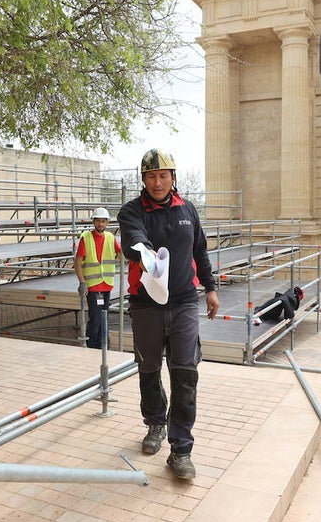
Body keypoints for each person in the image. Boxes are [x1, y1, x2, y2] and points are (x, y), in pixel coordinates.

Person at [118, 148, 219, 480]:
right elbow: (134, 240)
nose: (157, 182)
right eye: (150, 176)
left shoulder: (187, 209)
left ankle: (181, 450)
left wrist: (211, 287)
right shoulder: (132, 211)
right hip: (147, 305)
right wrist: (146, 254)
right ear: (143, 180)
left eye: (163, 176)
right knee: (148, 370)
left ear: (173, 178)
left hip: (184, 302)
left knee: (185, 374)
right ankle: (155, 423)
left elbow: (199, 249)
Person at [74, 207, 121, 349]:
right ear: (93, 222)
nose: (101, 224)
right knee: (96, 319)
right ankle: (93, 345)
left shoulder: (110, 238)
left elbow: (120, 256)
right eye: (98, 221)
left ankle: (103, 345)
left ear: (107, 223)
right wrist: (82, 282)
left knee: (103, 317)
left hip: (106, 284)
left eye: (103, 221)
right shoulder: (86, 238)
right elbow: (78, 262)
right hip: (93, 286)